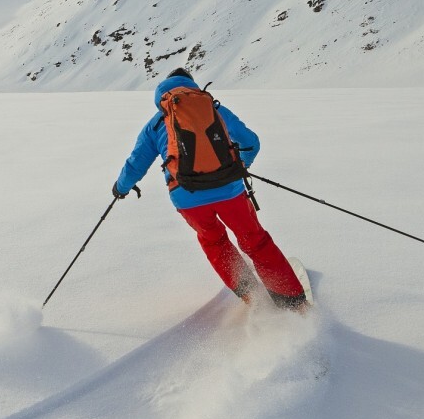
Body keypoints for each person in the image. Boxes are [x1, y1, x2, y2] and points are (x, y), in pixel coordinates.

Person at [112, 68, 306, 309]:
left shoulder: (155, 123)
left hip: (186, 197)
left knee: (214, 242)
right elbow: (250, 142)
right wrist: (240, 166)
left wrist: (121, 188)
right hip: (230, 190)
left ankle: (251, 297)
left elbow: (135, 163)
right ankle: (292, 303)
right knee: (255, 241)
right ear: (192, 86)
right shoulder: (214, 108)